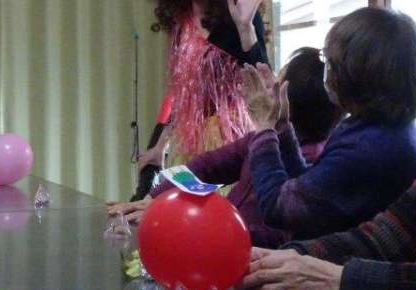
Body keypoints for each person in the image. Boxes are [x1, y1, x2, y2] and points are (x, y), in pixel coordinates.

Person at [111, 47, 343, 248]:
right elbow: (206, 167)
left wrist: (190, 222)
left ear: (289, 101)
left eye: (276, 82)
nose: (266, 87)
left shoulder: (316, 164)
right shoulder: (261, 137)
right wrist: (154, 199)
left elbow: (274, 236)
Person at [240, 7, 416, 241]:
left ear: (356, 73)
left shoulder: (370, 148)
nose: (327, 72)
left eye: (330, 62)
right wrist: (281, 125)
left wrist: (263, 129)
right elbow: (308, 188)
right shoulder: (379, 126)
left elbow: (277, 208)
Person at [129, 0, 270, 201]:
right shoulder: (179, 19)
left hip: (233, 143)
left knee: (224, 216)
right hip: (190, 143)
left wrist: (245, 27)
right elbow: (183, 91)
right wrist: (160, 146)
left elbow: (263, 80)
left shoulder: (240, 11)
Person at [241, 141, 416, 289]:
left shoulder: (371, 147)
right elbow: (388, 236)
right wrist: (286, 259)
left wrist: (342, 278)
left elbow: (281, 206)